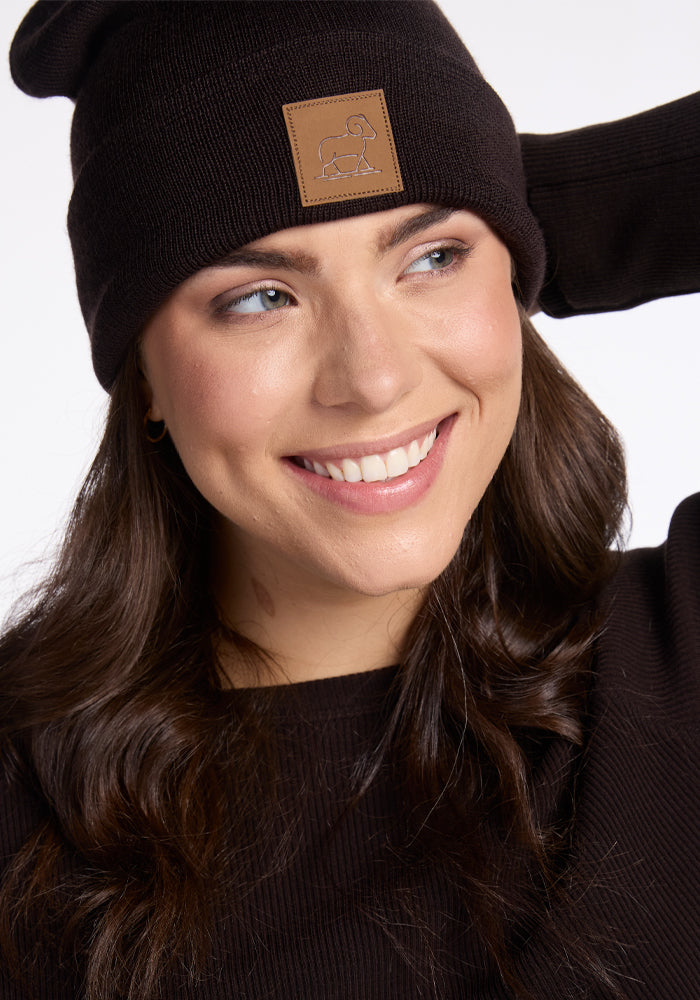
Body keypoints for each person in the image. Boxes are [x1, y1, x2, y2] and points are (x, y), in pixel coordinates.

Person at [2, 2, 698, 999]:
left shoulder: (676, 662)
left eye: (432, 258)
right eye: (260, 296)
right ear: (143, 376)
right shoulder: (22, 814)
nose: (370, 378)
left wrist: (538, 204)